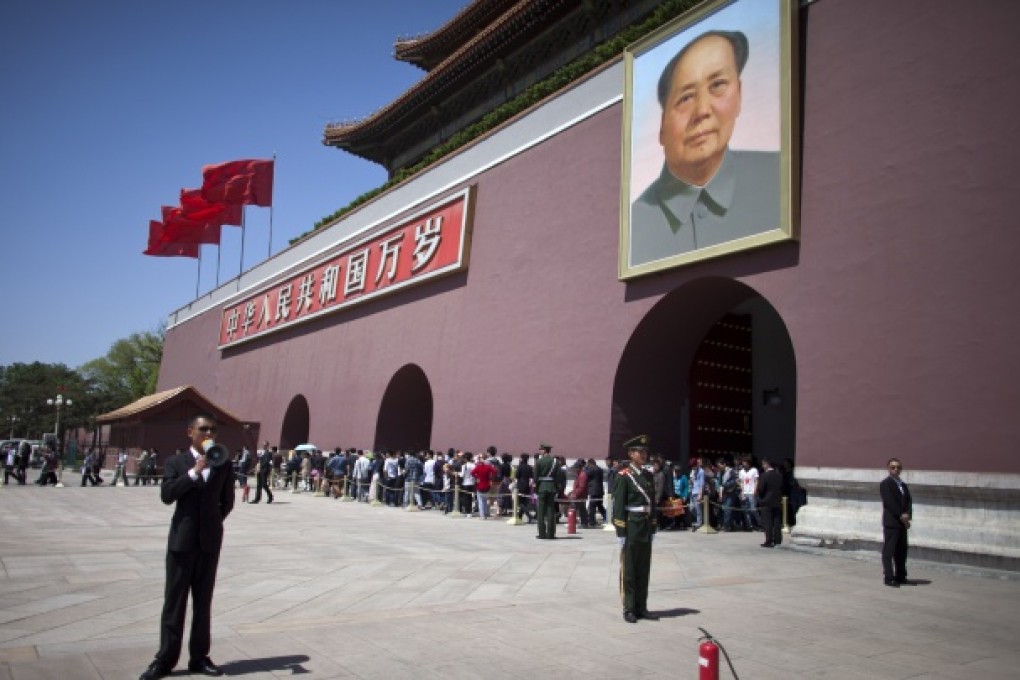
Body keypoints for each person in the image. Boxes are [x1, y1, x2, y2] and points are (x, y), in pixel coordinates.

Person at [630, 29, 781, 265]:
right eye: (686, 98)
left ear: (739, 94)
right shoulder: (637, 221)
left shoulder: (777, 177)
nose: (702, 111)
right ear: (661, 127)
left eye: (718, 85)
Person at [139, 414, 234, 680]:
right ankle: (165, 660)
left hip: (209, 543)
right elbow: (167, 496)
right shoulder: (176, 462)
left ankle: (200, 657)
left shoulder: (224, 464)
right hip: (182, 543)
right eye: (203, 429)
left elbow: (227, 503)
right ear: (190, 431)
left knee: (203, 604)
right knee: (174, 603)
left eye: (213, 430)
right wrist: (194, 472)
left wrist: (211, 525)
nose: (209, 434)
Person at [613, 435, 658, 623]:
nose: (644, 454)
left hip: (646, 525)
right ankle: (629, 608)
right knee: (630, 569)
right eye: (640, 451)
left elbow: (652, 503)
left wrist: (654, 526)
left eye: (645, 451)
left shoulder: (648, 475)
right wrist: (621, 532)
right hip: (631, 525)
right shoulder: (623, 476)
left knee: (643, 568)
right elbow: (618, 506)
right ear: (631, 454)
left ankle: (642, 606)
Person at [880, 458, 913, 587]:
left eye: (898, 467)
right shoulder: (885, 484)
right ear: (888, 469)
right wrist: (901, 515)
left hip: (902, 523)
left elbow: (909, 502)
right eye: (893, 467)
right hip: (892, 522)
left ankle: (901, 575)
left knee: (901, 550)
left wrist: (908, 515)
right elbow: (889, 503)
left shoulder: (903, 485)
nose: (896, 469)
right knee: (889, 550)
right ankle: (889, 577)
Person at [534, 444, 563, 539]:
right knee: (551, 510)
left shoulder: (539, 461)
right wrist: (556, 487)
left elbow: (536, 477)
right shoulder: (555, 462)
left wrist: (536, 488)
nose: (540, 451)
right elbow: (558, 476)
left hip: (542, 487)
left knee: (541, 511)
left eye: (541, 450)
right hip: (551, 487)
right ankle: (551, 533)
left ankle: (542, 533)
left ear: (545, 450)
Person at [757, 458, 783, 547]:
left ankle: (769, 540)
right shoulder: (779, 475)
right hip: (777, 500)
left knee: (767, 521)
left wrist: (760, 498)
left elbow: (761, 489)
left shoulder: (765, 476)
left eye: (763, 464)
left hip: (766, 501)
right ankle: (778, 540)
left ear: (767, 464)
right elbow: (783, 488)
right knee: (777, 521)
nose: (762, 466)